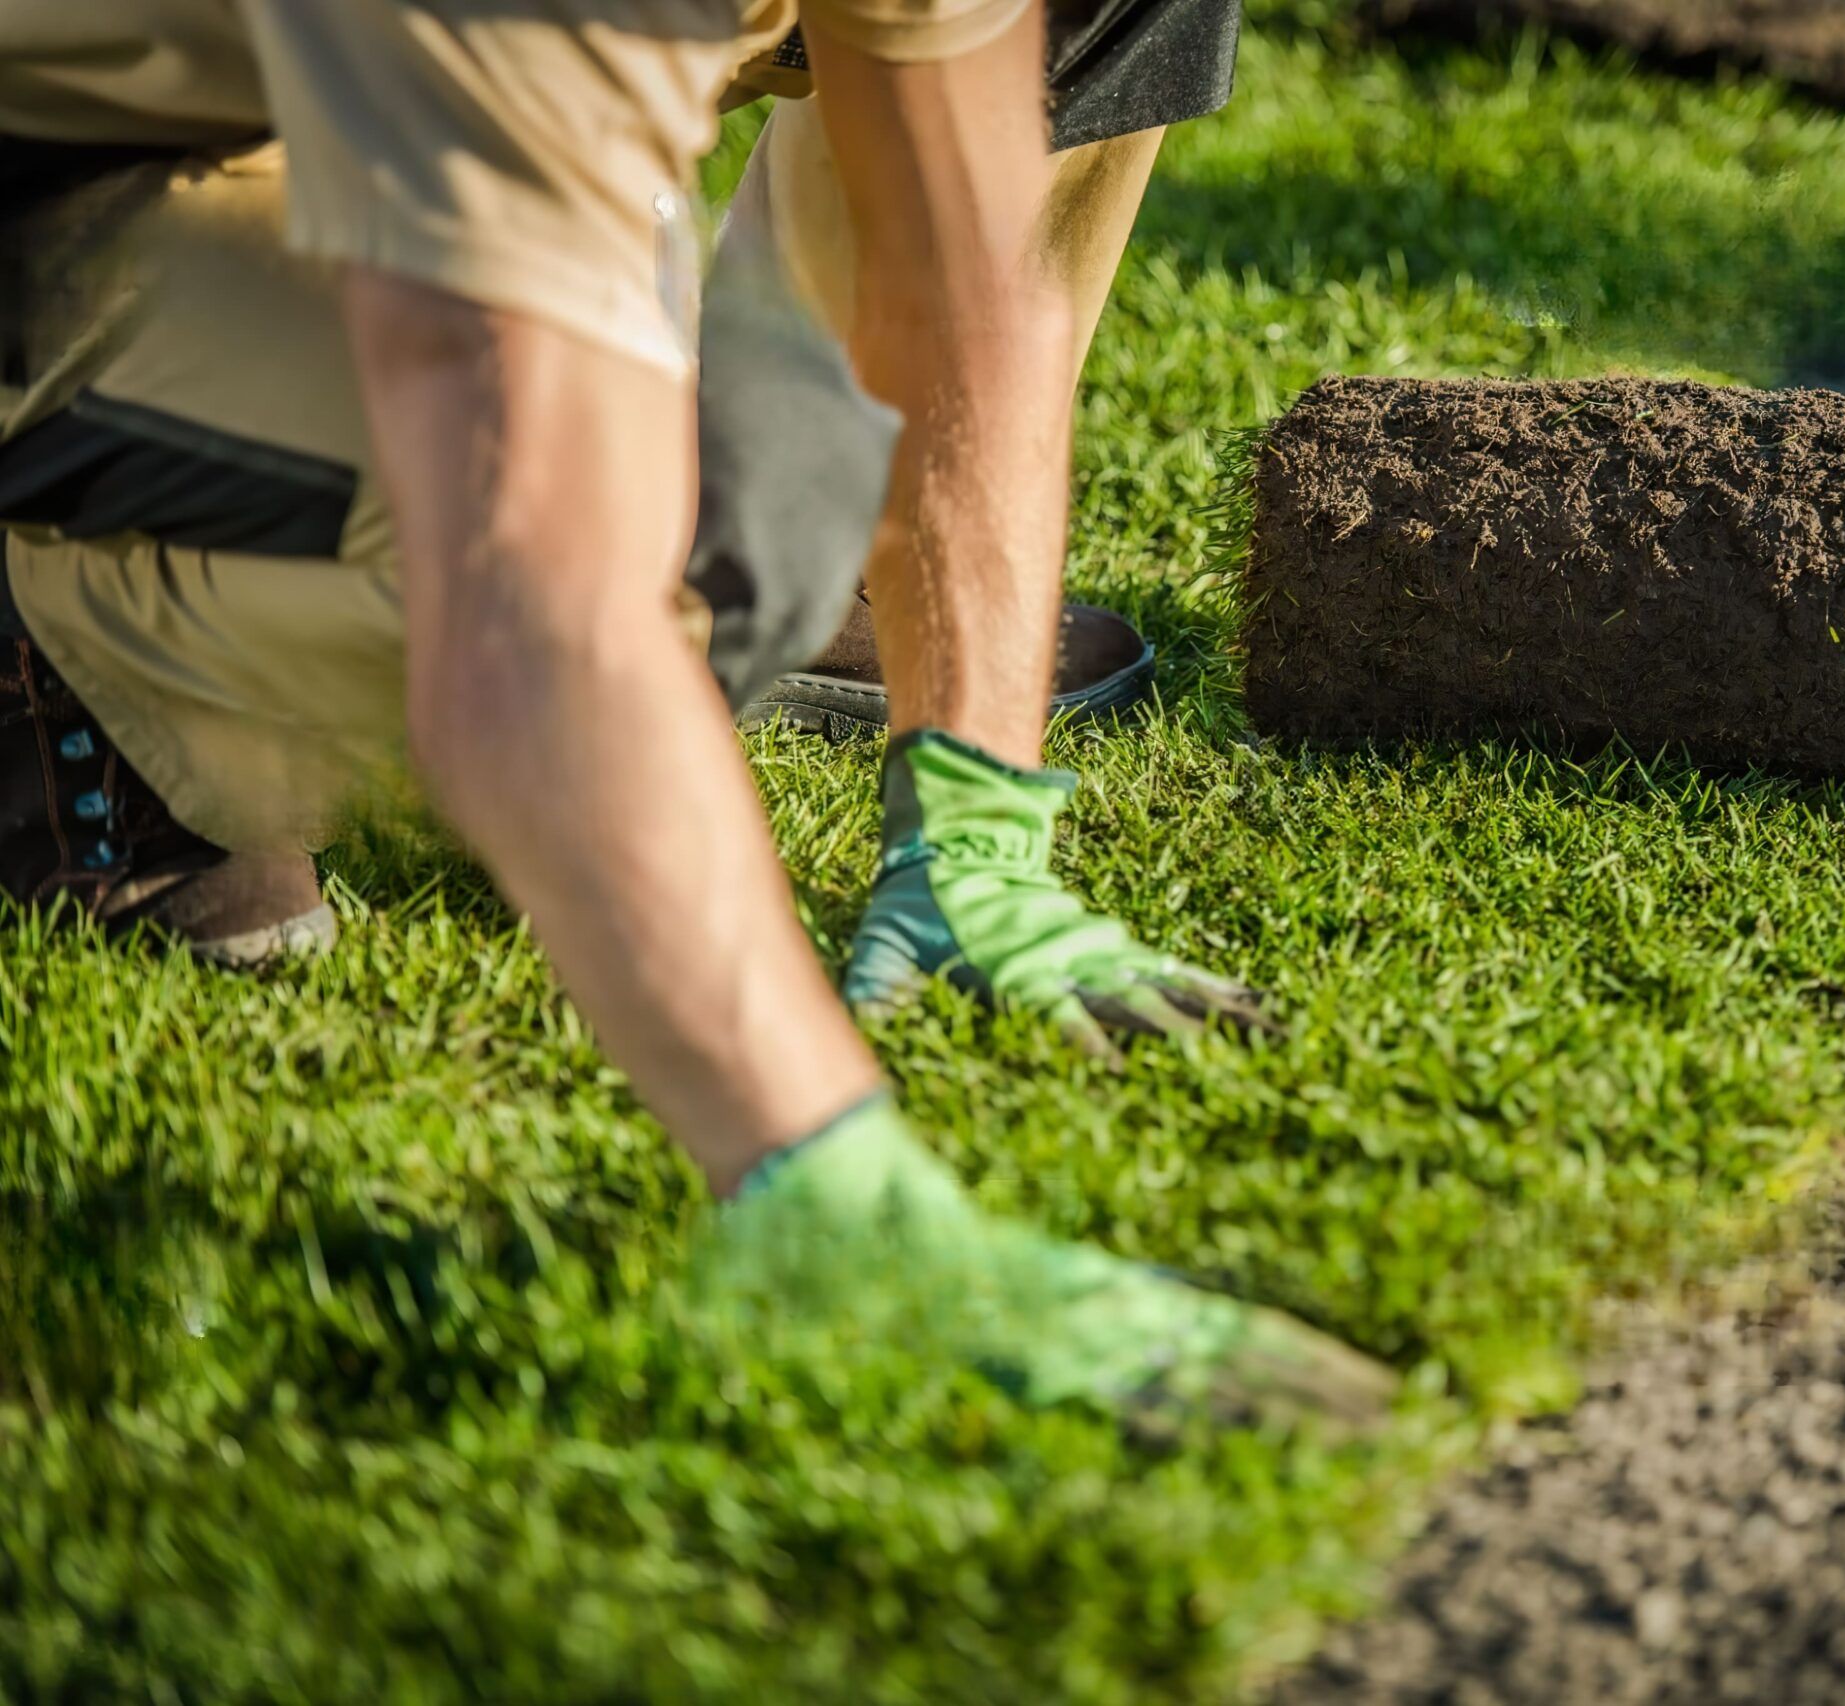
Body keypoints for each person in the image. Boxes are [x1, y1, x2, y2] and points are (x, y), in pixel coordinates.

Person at [0, 0, 1390, 1428]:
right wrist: (818, 1172)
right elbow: (527, 568)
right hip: (102, 156)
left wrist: (973, 830)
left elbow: (963, 266)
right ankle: (84, 647)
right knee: (467, 512)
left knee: (752, 527)